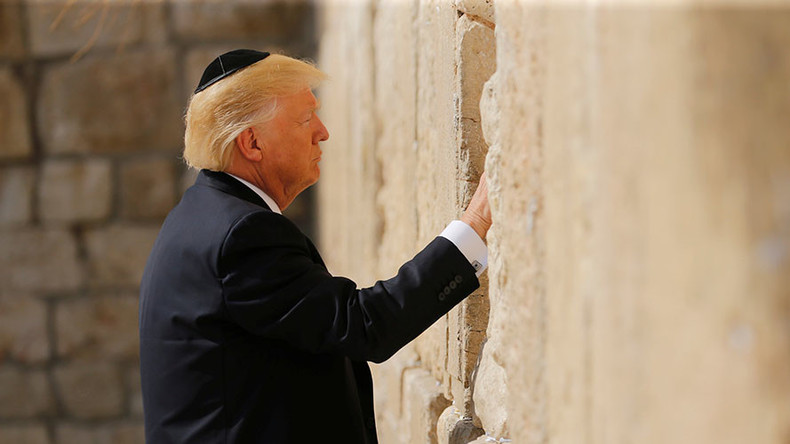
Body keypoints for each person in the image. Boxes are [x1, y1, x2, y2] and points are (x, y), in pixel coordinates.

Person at [139, 49, 492, 444]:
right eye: (305, 118)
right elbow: (362, 325)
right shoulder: (241, 236)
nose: (322, 131)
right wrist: (476, 224)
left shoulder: (201, 218)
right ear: (252, 142)